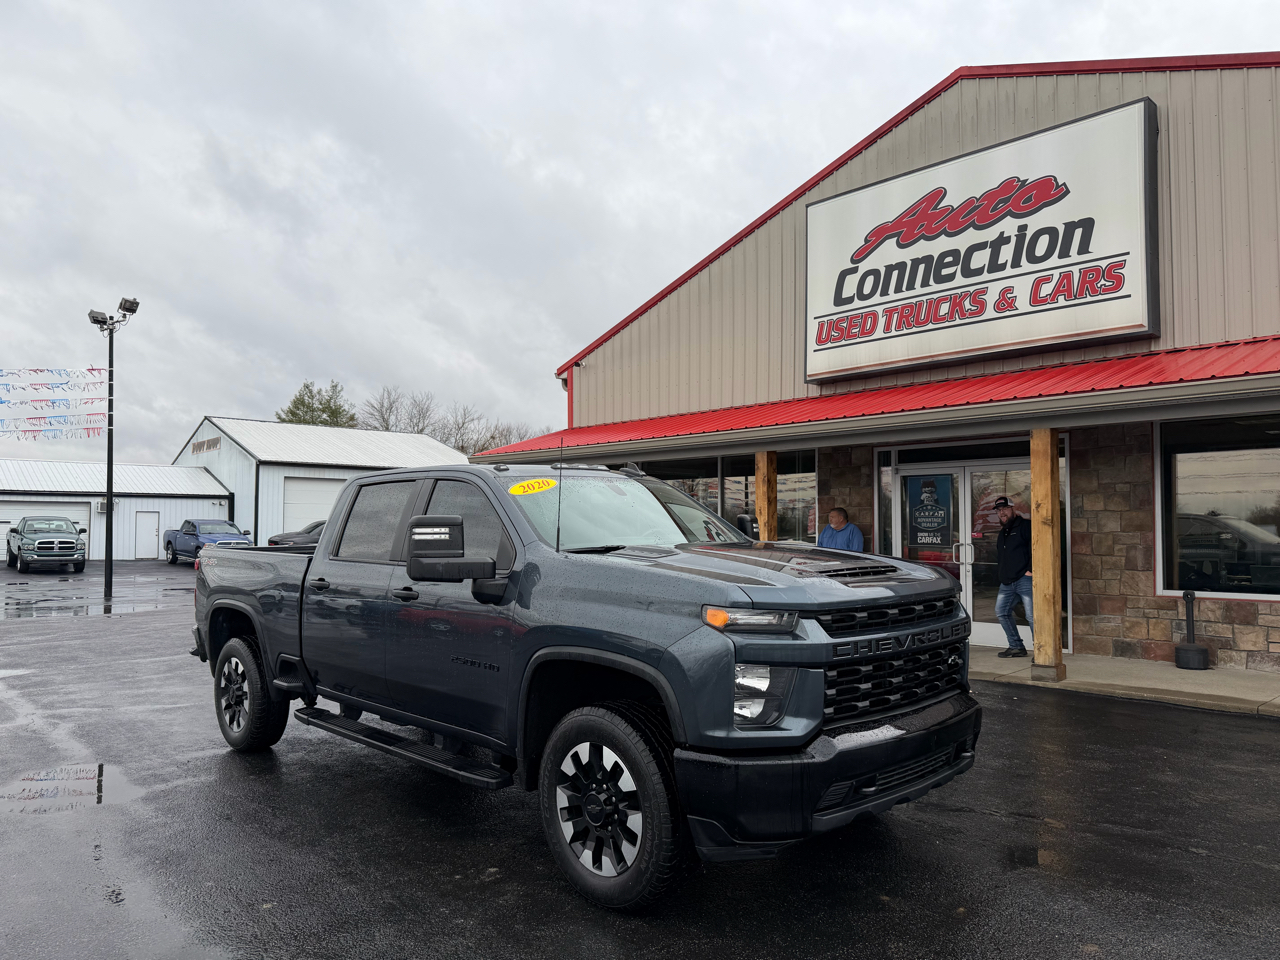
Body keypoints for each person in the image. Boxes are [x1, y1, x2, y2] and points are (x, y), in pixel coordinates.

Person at [993, 495, 1034, 658]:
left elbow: (1036, 548)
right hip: (1007, 582)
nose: (1002, 512)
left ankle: (1041, 651)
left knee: (1032, 616)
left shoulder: (1025, 526)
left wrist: (1030, 570)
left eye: (1004, 509)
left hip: (1024, 579)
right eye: (999, 510)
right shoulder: (1003, 531)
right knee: (1001, 612)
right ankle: (1016, 646)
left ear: (1012, 508)